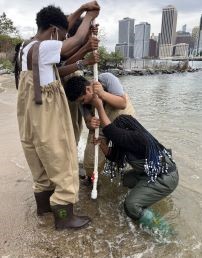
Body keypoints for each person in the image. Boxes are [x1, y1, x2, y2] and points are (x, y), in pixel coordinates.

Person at [17, 2, 100, 230]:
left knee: (40, 165)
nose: (62, 40)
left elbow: (59, 63)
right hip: (46, 114)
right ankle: (64, 216)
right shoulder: (44, 48)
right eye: (60, 36)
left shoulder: (26, 48)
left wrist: (81, 9)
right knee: (63, 162)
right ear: (53, 31)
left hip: (29, 118)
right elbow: (74, 40)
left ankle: (43, 207)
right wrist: (88, 17)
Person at [91, 95, 179, 235]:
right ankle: (146, 197)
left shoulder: (138, 138)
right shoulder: (127, 142)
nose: (119, 135)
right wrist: (101, 143)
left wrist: (99, 106)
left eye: (120, 131)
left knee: (130, 206)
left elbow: (113, 133)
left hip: (165, 177)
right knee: (125, 180)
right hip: (150, 173)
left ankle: (165, 232)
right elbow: (113, 156)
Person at [64, 72, 135, 184]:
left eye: (83, 100)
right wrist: (90, 123)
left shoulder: (107, 78)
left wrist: (102, 94)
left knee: (130, 154)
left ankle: (127, 175)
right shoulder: (82, 101)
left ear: (88, 89)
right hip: (101, 127)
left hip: (122, 119)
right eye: (80, 102)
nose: (82, 103)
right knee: (90, 161)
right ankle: (92, 181)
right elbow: (88, 121)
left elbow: (122, 104)